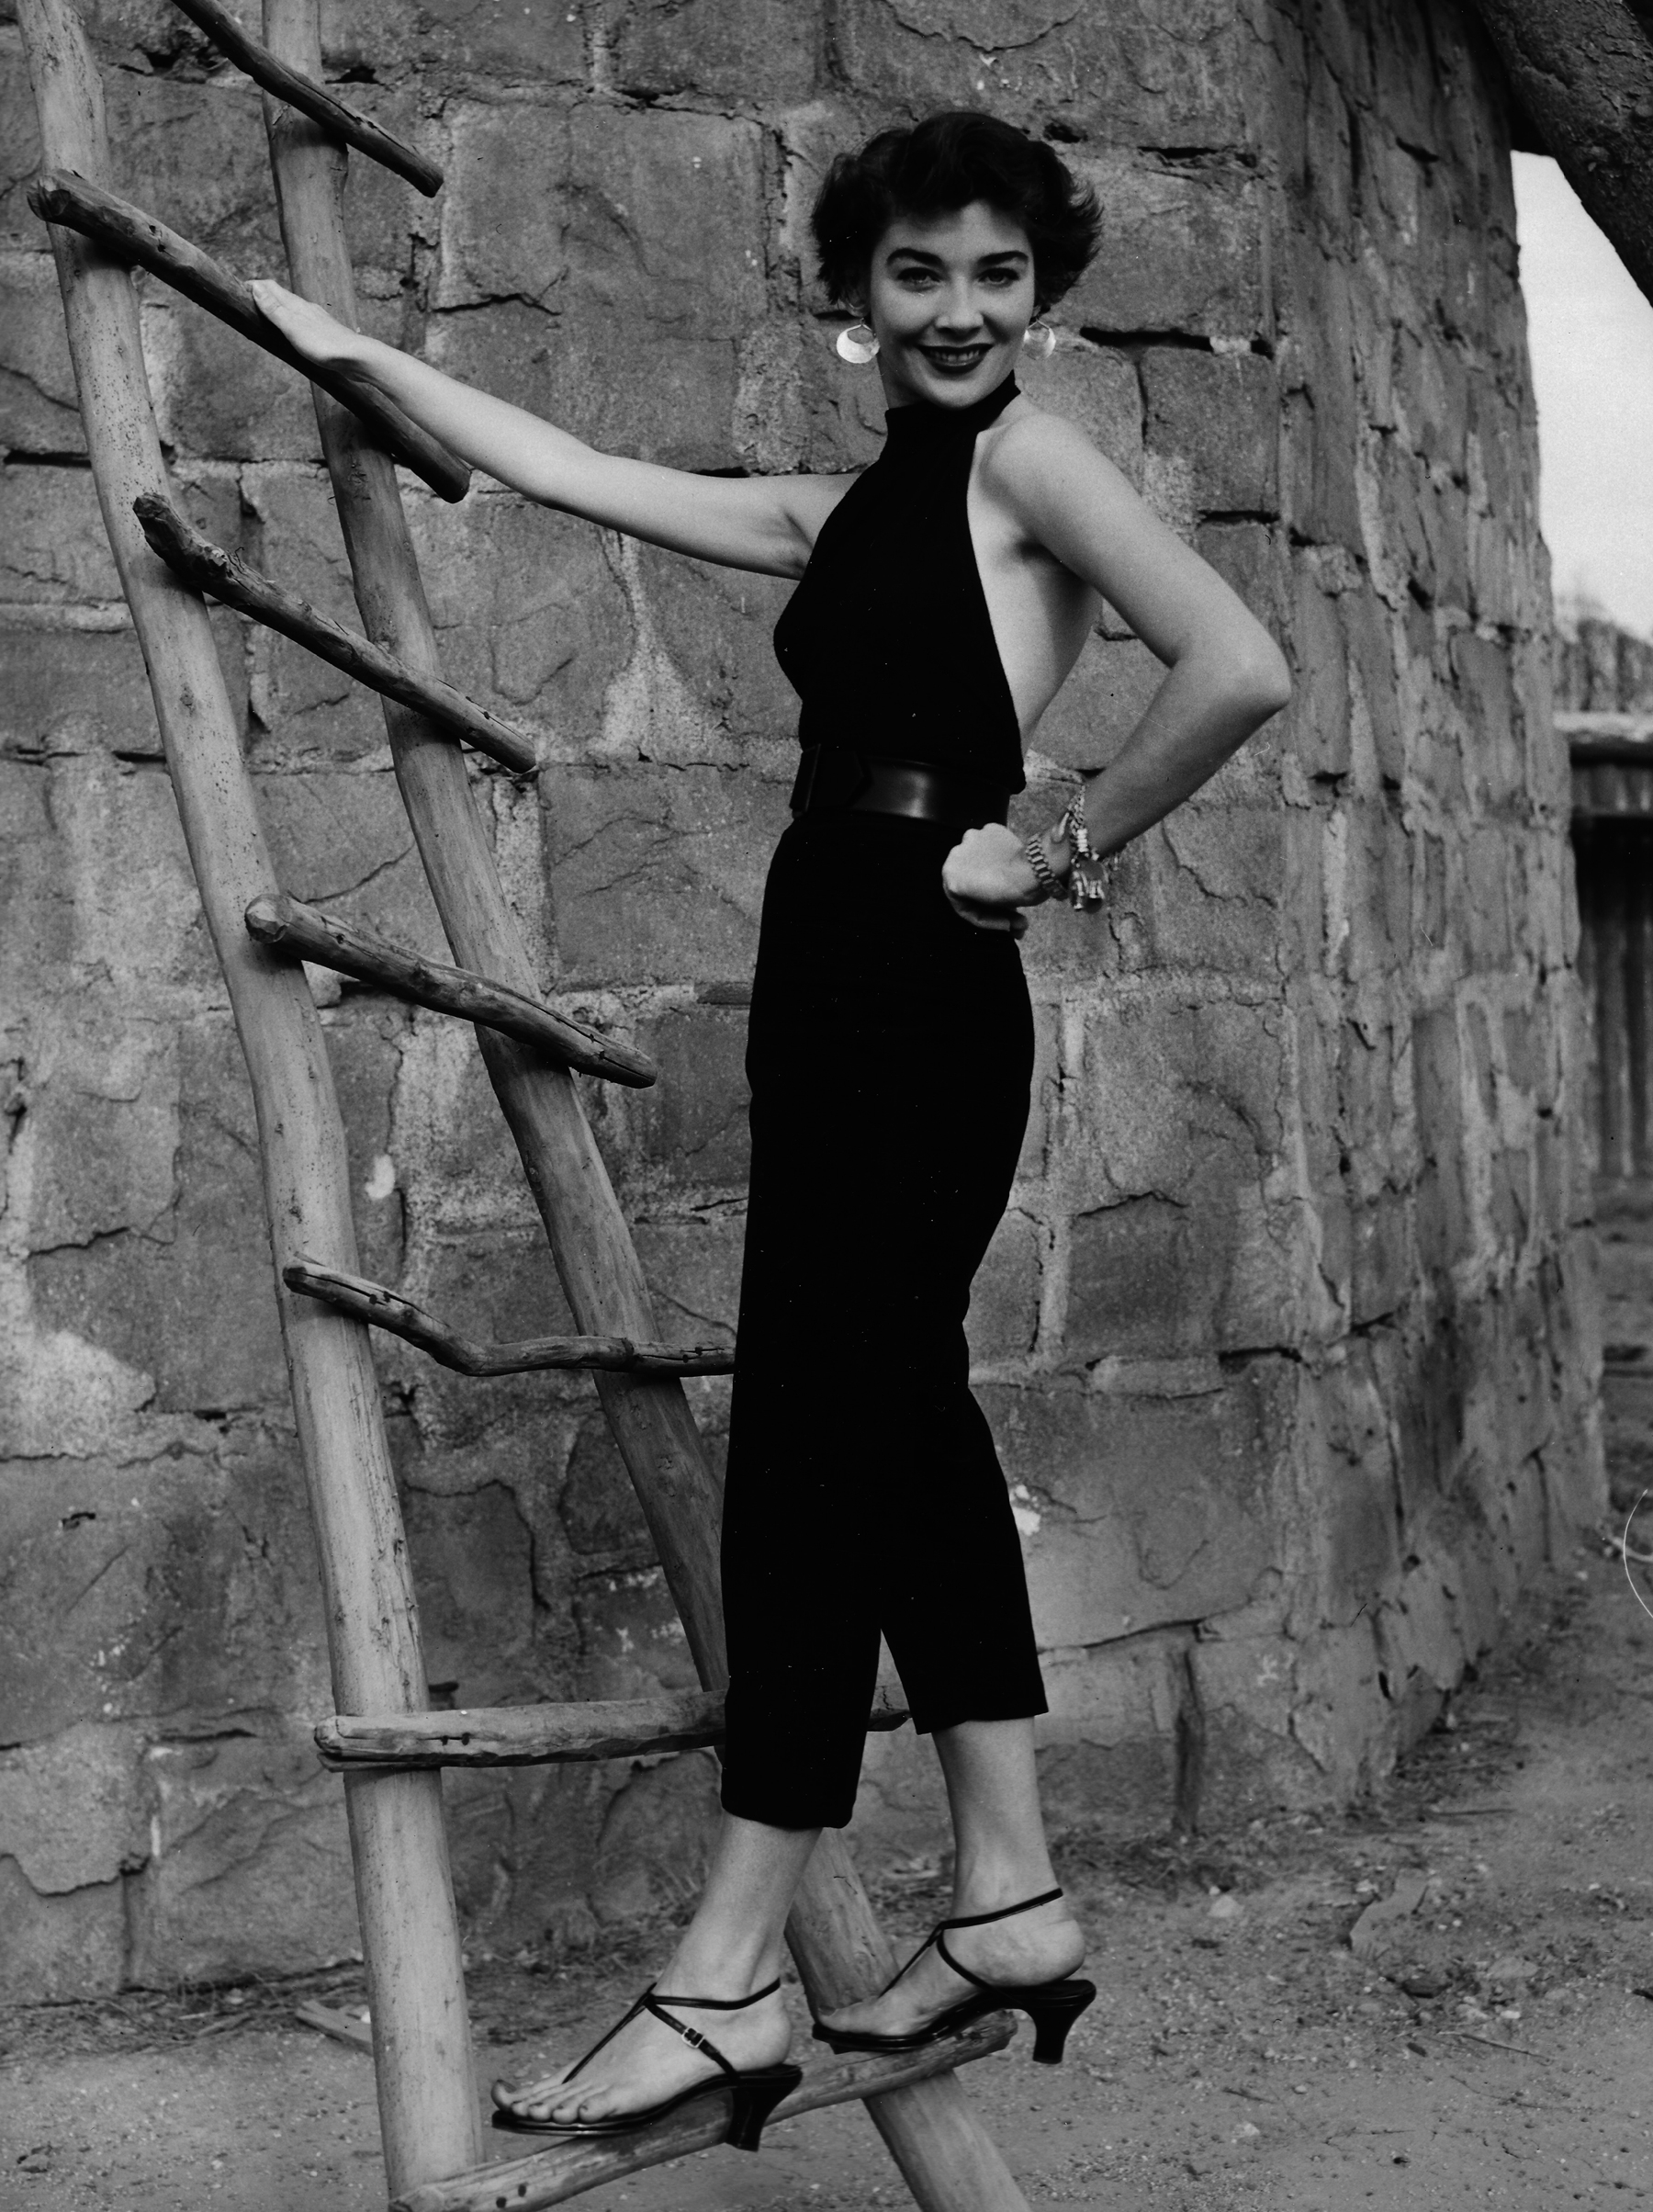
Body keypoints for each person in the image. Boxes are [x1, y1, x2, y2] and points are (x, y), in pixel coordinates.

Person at [253, 108, 1290, 2152]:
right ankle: (1008, 1891)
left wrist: (1053, 845)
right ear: (854, 296)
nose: (962, 310)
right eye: (920, 273)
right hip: (833, 971)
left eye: (999, 274)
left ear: (1041, 293)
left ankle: (726, 1975)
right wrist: (343, 346)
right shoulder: (849, 508)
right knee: (900, 1422)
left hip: (916, 972)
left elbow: (1242, 664)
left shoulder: (1032, 463)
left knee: (817, 1453)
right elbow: (569, 468)